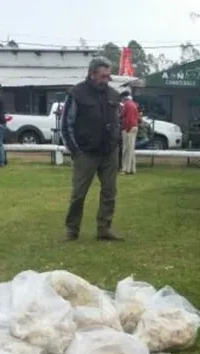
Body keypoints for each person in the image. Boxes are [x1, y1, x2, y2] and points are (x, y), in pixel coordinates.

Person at [61, 57, 123, 241]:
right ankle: (72, 229)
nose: (106, 80)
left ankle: (104, 228)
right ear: (92, 74)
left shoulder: (113, 94)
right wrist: (75, 151)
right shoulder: (76, 93)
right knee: (79, 194)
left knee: (110, 192)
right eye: (103, 76)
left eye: (108, 76)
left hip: (109, 151)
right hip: (85, 153)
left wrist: (116, 145)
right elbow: (67, 124)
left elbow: (117, 123)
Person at [120, 90, 140, 174]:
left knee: (126, 149)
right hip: (134, 127)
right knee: (131, 149)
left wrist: (127, 128)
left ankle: (125, 169)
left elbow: (127, 117)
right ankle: (132, 168)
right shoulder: (133, 104)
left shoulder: (127, 105)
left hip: (128, 128)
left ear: (124, 98)